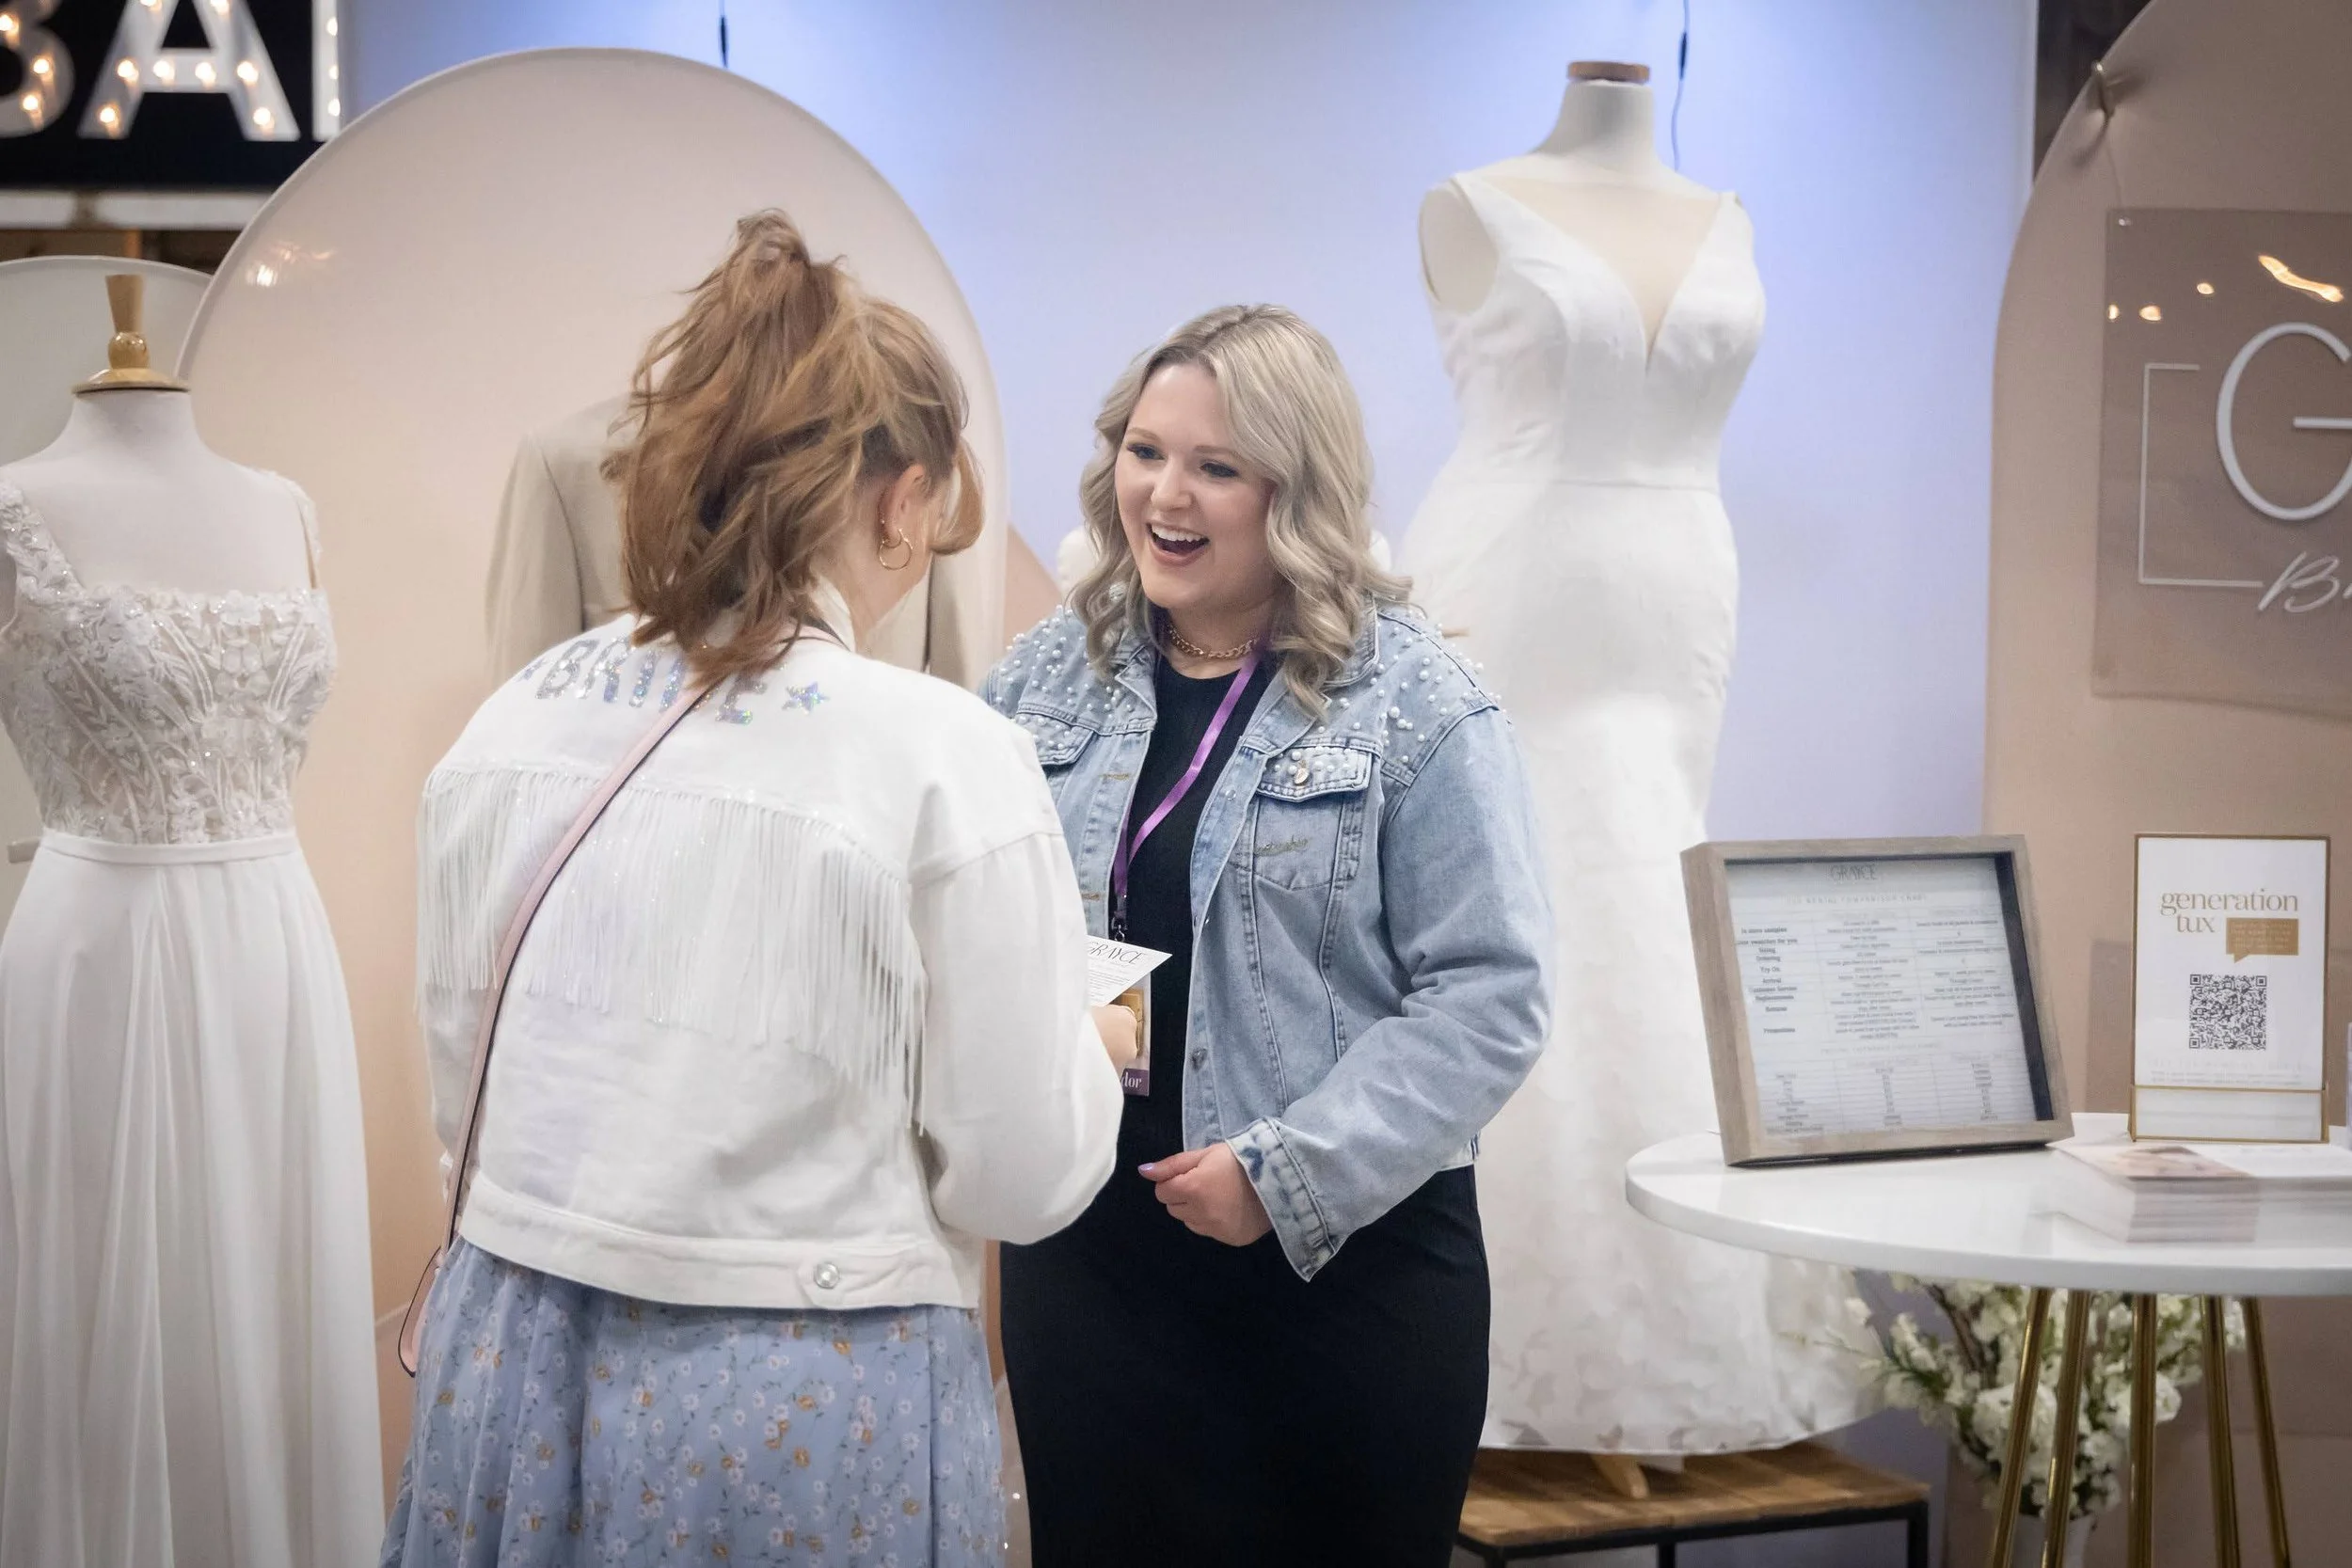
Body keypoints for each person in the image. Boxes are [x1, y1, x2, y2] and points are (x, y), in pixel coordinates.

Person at [383, 211, 1125, 1567]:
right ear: (900, 498)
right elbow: (1021, 1173)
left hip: (504, 1353)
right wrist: (1089, 1042)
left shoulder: (514, 718)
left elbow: (462, 1082)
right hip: (798, 1398)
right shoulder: (939, 753)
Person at [984, 305, 1553, 1567]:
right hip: (1091, 1269)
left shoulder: (1418, 702)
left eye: (1217, 467)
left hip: (1339, 1278)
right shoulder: (1041, 677)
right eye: (1144, 452)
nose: (1165, 495)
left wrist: (1286, 1175)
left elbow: (1491, 991)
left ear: (1296, 491)